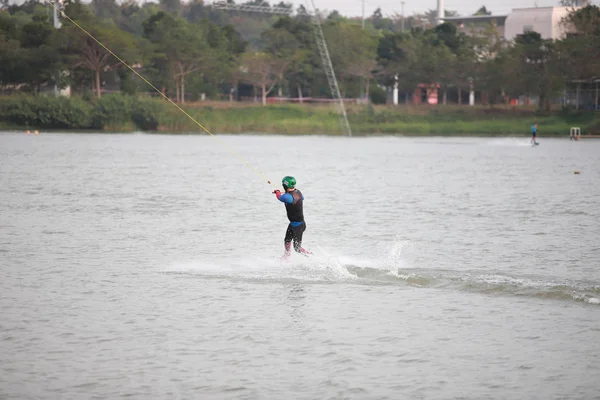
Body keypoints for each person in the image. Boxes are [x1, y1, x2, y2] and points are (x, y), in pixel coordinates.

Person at [273, 176, 311, 258]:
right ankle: (286, 256)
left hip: (298, 226)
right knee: (287, 240)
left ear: (285, 186)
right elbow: (301, 198)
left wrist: (277, 192)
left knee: (297, 248)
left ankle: (311, 256)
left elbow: (279, 197)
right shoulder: (299, 192)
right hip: (295, 224)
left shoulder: (286, 197)